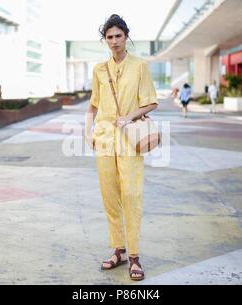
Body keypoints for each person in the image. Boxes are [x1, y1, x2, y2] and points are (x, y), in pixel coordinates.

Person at [84, 14, 158, 281]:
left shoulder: (140, 66)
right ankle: (118, 250)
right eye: (109, 37)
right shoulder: (99, 70)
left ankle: (135, 256)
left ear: (126, 37)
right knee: (110, 196)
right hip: (104, 139)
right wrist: (88, 132)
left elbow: (151, 102)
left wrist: (130, 117)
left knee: (131, 195)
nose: (114, 41)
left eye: (118, 36)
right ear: (105, 39)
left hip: (129, 139)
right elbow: (93, 103)